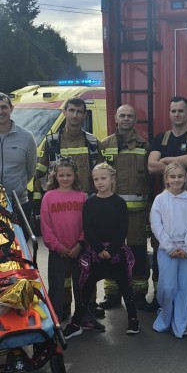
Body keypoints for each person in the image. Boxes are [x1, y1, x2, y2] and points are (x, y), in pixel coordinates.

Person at [146, 96, 187, 311]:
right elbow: (151, 167)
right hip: (165, 198)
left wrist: (165, 160)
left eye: (181, 110)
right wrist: (177, 163)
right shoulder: (160, 138)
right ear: (169, 113)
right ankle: (161, 296)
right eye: (173, 111)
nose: (177, 114)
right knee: (160, 245)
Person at [66, 163, 138, 338]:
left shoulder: (119, 203)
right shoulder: (90, 203)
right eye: (96, 179)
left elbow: (122, 229)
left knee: (125, 286)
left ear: (112, 179)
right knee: (86, 287)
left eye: (103, 178)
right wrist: (98, 248)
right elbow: (88, 228)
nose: (100, 182)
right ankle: (76, 322)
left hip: (116, 253)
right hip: (95, 254)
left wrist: (112, 249)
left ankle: (133, 320)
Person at [97, 104, 151, 308]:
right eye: (122, 115)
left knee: (137, 253)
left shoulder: (144, 145)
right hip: (111, 213)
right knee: (111, 252)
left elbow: (149, 178)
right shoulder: (104, 145)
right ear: (115, 118)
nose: (126, 119)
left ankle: (138, 295)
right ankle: (112, 294)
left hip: (137, 214)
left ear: (135, 120)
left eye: (130, 115)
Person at [150, 162, 187, 338]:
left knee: (185, 289)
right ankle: (164, 318)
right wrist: (169, 247)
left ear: (185, 178)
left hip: (186, 250)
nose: (177, 180)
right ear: (166, 179)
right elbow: (156, 225)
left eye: (180, 176)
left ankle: (180, 325)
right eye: (173, 176)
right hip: (167, 249)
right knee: (168, 287)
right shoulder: (160, 200)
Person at [40, 158, 88, 324]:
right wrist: (57, 246)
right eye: (61, 175)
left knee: (81, 285)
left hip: (79, 250)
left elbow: (87, 224)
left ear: (75, 176)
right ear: (55, 176)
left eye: (69, 175)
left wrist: (80, 243)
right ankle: (56, 318)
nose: (65, 178)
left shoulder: (82, 197)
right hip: (57, 251)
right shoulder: (48, 197)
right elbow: (45, 226)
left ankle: (83, 317)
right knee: (56, 287)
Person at [33, 97, 100, 214]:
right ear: (64, 112)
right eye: (71, 110)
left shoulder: (92, 142)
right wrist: (37, 200)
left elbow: (101, 174)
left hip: (86, 202)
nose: (75, 115)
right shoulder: (51, 142)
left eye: (79, 112)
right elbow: (40, 173)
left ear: (84, 115)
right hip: (59, 203)